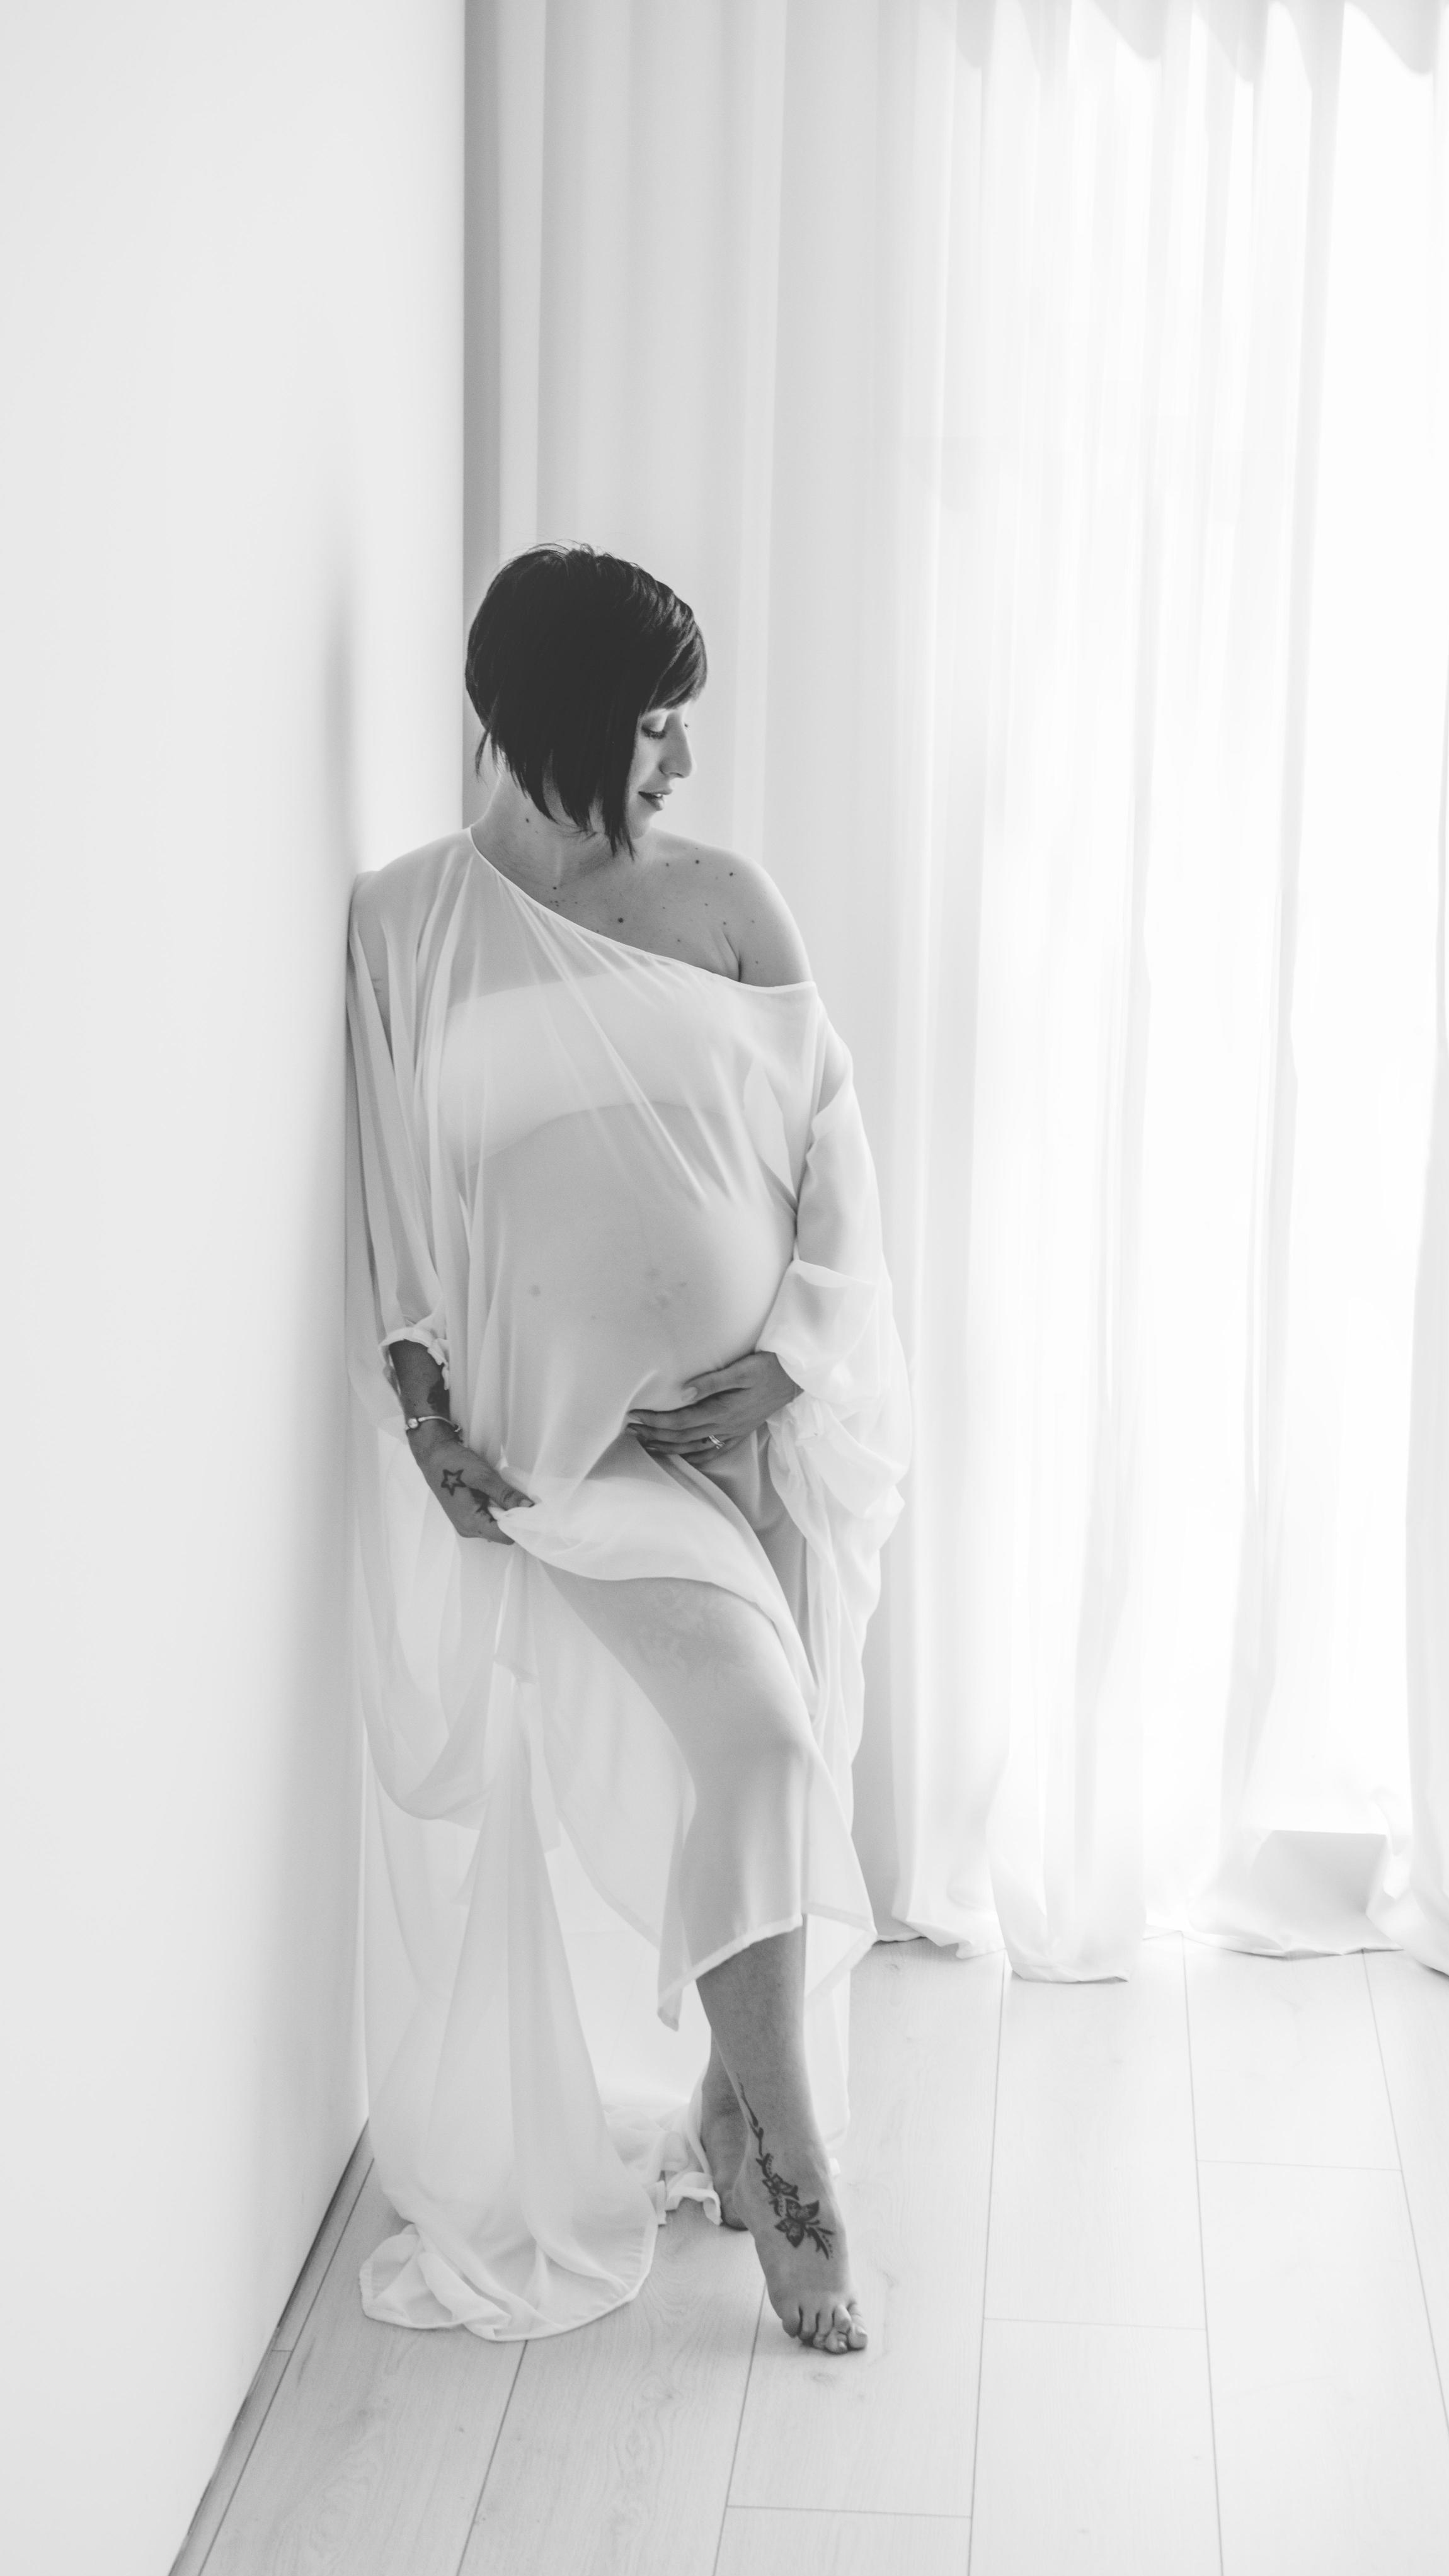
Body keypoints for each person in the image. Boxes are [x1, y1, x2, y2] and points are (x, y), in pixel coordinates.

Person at [345, 544, 912, 2354]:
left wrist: (792, 1364)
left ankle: (733, 2118)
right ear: (560, 716)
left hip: (757, 1445)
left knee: (782, 1757)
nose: (681, 759)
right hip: (572, 1456)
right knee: (759, 1744)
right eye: (655, 723)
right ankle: (801, 2181)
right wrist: (423, 1413)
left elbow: (833, 1155)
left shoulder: (729, 903)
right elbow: (393, 1208)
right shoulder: (411, 924)